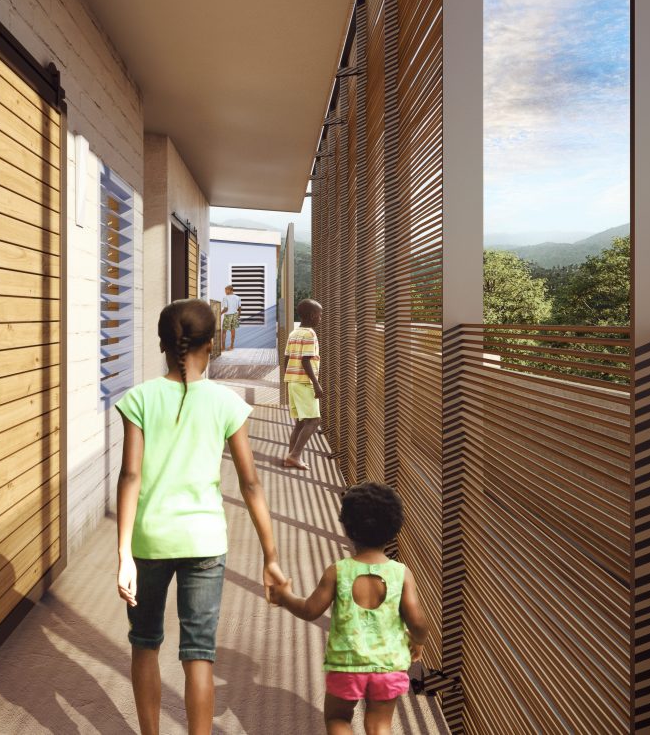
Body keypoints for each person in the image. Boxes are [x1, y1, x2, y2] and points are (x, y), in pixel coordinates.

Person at [115, 298, 286, 735]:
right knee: (199, 653)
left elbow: (130, 475)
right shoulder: (225, 403)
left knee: (145, 643)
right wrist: (270, 555)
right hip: (205, 542)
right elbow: (251, 485)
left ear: (161, 345)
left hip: (149, 541)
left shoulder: (140, 398)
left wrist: (123, 555)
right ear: (211, 345)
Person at [272, 482, 429, 735]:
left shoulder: (339, 571)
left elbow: (310, 609)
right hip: (388, 665)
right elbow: (418, 622)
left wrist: (284, 596)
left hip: (346, 664)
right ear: (394, 530)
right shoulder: (401, 574)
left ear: (346, 526)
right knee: (379, 725)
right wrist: (417, 641)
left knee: (337, 718)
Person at [283, 298, 323, 470]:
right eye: (320, 315)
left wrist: (289, 377)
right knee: (314, 420)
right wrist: (316, 384)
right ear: (313, 315)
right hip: (304, 382)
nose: (320, 318)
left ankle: (291, 457)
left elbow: (287, 358)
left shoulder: (294, 333)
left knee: (300, 421)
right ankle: (295, 456)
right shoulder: (310, 334)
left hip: (293, 381)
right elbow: (306, 360)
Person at [219, 284, 242, 351]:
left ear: (230, 290)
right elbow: (240, 307)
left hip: (228, 316)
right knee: (233, 331)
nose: (225, 291)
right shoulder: (238, 297)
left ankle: (223, 348)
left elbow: (226, 309)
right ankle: (231, 346)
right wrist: (239, 315)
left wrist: (220, 313)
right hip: (235, 315)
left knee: (224, 332)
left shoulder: (225, 297)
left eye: (226, 290)